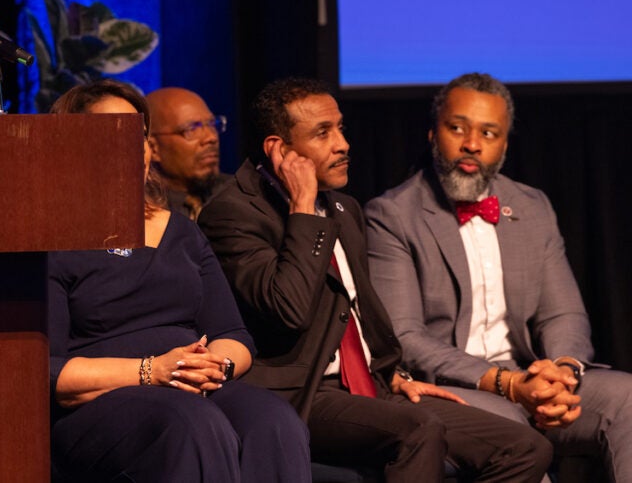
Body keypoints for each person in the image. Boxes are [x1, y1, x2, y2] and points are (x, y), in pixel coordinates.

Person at [197, 76, 552, 482]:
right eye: (322, 133)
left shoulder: (344, 208)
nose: (342, 144)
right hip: (303, 393)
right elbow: (288, 309)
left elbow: (359, 313)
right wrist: (302, 212)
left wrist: (394, 375)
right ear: (279, 148)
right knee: (418, 430)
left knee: (525, 448)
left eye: (340, 128)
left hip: (369, 385)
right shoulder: (233, 213)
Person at [365, 72, 632, 482]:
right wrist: (507, 384)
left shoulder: (532, 205)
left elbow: (562, 315)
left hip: (531, 378)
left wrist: (562, 372)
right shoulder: (392, 215)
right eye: (458, 128)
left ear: (504, 145)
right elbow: (404, 336)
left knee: (628, 397)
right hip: (450, 388)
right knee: (518, 441)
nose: (472, 144)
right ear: (433, 135)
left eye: (489, 133)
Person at [48, 80, 310, 482]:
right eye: (111, 133)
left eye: (139, 134)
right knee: (192, 423)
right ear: (72, 148)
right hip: (103, 402)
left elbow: (234, 336)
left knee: (273, 420)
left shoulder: (182, 233)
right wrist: (151, 371)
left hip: (190, 386)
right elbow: (51, 371)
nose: (131, 145)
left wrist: (213, 366)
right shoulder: (51, 240)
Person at [146, 86, 232, 219]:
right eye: (191, 129)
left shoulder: (237, 195)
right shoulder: (141, 214)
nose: (211, 138)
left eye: (211, 124)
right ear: (152, 148)